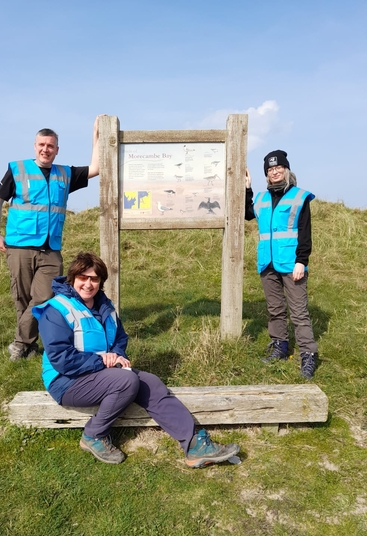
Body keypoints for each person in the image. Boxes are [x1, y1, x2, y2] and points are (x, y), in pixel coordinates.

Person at [32, 251, 240, 467]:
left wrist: (118, 356)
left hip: (99, 373)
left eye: (94, 278)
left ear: (101, 281)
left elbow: (119, 337)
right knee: (127, 382)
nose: (88, 284)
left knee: (151, 383)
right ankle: (94, 435)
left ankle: (195, 446)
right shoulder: (56, 310)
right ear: (72, 278)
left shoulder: (105, 306)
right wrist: (102, 360)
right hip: (66, 381)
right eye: (82, 277)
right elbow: (61, 358)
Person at [0, 117, 102, 361]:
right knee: (22, 298)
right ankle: (29, 347)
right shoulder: (18, 169)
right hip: (19, 246)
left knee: (44, 297)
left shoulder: (65, 174)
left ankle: (19, 344)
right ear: (35, 146)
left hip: (51, 249)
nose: (45, 149)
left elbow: (96, 168)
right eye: (42, 144)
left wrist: (97, 136)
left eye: (50, 146)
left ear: (57, 150)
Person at [245, 150, 318, 379]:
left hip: (291, 263)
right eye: (270, 169)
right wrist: (248, 188)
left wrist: (301, 261)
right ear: (266, 174)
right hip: (267, 263)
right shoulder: (261, 198)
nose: (274, 172)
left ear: (286, 170)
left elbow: (305, 233)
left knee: (299, 313)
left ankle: (308, 354)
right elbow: (247, 214)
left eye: (278, 168)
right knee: (275, 310)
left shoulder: (299, 197)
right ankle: (280, 346)